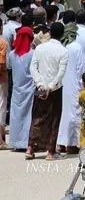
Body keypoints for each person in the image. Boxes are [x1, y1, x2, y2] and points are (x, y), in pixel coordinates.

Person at [27, 22, 68, 160]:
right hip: (55, 90)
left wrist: (40, 84)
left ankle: (30, 148)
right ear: (62, 35)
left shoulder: (40, 48)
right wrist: (51, 86)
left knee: (36, 117)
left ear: (50, 33)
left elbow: (33, 67)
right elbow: (61, 73)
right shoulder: (63, 51)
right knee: (54, 119)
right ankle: (50, 152)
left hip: (39, 88)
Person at [57, 37, 85, 154]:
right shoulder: (77, 47)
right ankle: (71, 144)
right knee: (73, 113)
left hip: (62, 84)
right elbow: (81, 69)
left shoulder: (62, 46)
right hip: (74, 85)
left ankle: (61, 143)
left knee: (63, 113)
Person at [8, 15, 34, 149]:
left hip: (17, 89)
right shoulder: (32, 53)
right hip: (29, 89)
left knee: (16, 115)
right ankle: (26, 142)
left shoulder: (12, 54)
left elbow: (9, 67)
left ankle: (15, 142)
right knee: (28, 116)